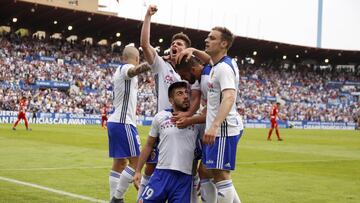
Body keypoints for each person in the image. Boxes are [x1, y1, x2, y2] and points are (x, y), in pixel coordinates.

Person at [139, 4, 195, 199]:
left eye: (180, 44)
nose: (176, 45)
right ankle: (141, 197)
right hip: (164, 122)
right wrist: (148, 16)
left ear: (187, 50)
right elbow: (145, 44)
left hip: (187, 123)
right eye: (174, 43)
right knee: (151, 166)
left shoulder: (191, 72)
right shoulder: (161, 65)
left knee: (191, 167)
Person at [134, 81, 202, 203]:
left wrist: (201, 176)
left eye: (187, 92)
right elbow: (149, 145)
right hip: (161, 174)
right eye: (180, 93)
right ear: (171, 99)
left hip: (184, 179)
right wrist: (138, 170)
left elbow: (203, 149)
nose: (185, 96)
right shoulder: (160, 117)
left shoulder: (197, 120)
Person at [201, 26, 243, 203]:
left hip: (223, 131)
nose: (206, 40)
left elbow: (229, 96)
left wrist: (215, 125)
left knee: (220, 175)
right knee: (207, 171)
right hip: (220, 130)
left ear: (223, 43)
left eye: (212, 38)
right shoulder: (217, 65)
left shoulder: (223, 68)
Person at [107, 46, 151, 203]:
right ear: (137, 59)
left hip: (116, 121)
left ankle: (115, 197)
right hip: (123, 122)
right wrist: (150, 64)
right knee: (137, 160)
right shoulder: (127, 68)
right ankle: (117, 198)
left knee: (120, 163)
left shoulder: (119, 70)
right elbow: (132, 72)